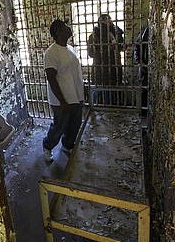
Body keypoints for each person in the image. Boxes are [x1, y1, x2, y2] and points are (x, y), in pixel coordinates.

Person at [42, 19, 84, 163]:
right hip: (62, 100)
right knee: (59, 127)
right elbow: (51, 79)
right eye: (65, 26)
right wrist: (62, 102)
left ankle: (67, 146)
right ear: (58, 31)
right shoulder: (51, 53)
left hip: (76, 96)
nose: (69, 28)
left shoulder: (70, 49)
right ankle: (47, 146)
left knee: (74, 125)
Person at [87, 14, 124, 105]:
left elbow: (122, 47)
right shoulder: (95, 36)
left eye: (109, 20)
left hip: (105, 67)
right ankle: (103, 108)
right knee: (103, 91)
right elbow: (90, 53)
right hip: (106, 67)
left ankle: (100, 108)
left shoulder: (114, 33)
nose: (109, 23)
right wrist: (109, 48)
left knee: (104, 91)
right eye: (106, 21)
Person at [134, 26, 149, 116]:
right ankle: (143, 113)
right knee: (143, 90)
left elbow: (136, 49)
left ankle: (144, 113)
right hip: (144, 67)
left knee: (145, 90)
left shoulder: (144, 34)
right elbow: (136, 49)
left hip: (145, 66)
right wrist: (139, 62)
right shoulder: (143, 34)